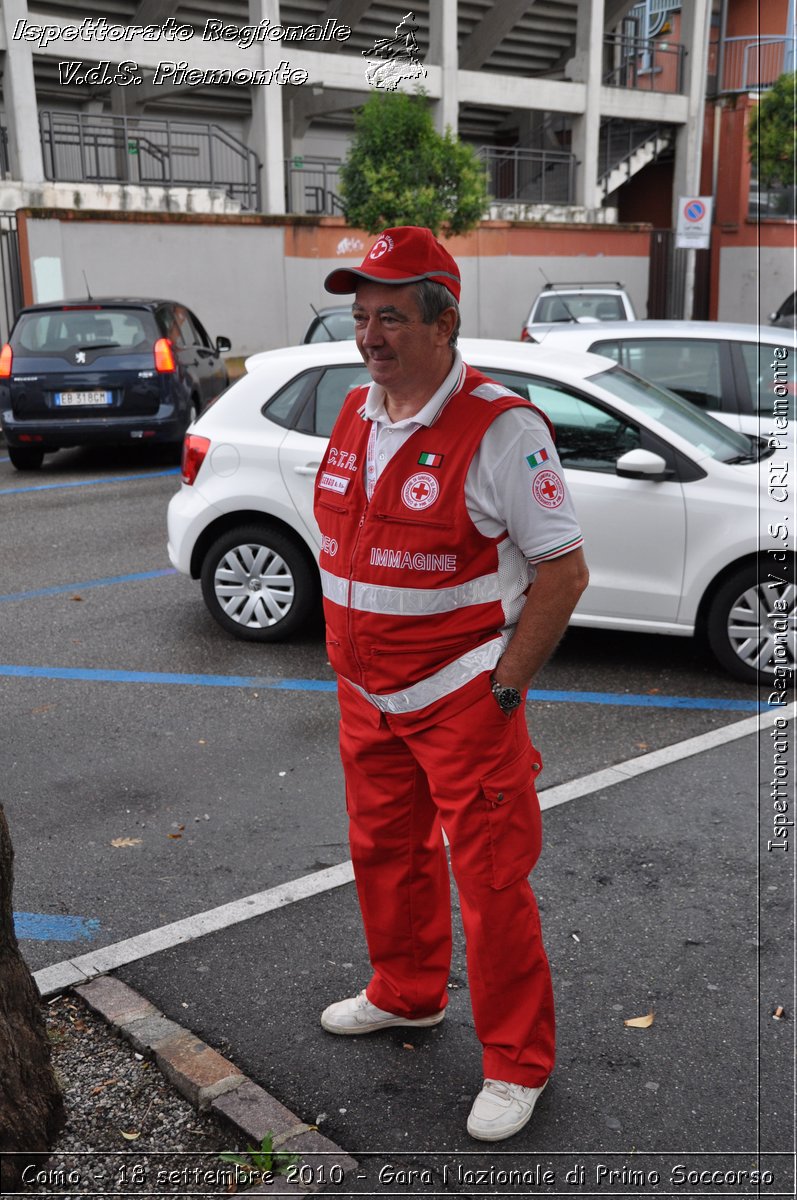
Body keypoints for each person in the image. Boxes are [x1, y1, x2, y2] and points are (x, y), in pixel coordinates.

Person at [313, 226, 588, 1142]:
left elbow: (561, 574)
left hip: (461, 700)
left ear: (443, 320)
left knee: (492, 881)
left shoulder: (502, 426)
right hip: (367, 694)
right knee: (384, 854)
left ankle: (516, 1064)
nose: (369, 335)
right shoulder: (357, 409)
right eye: (359, 316)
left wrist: (503, 690)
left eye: (390, 315)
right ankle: (406, 993)